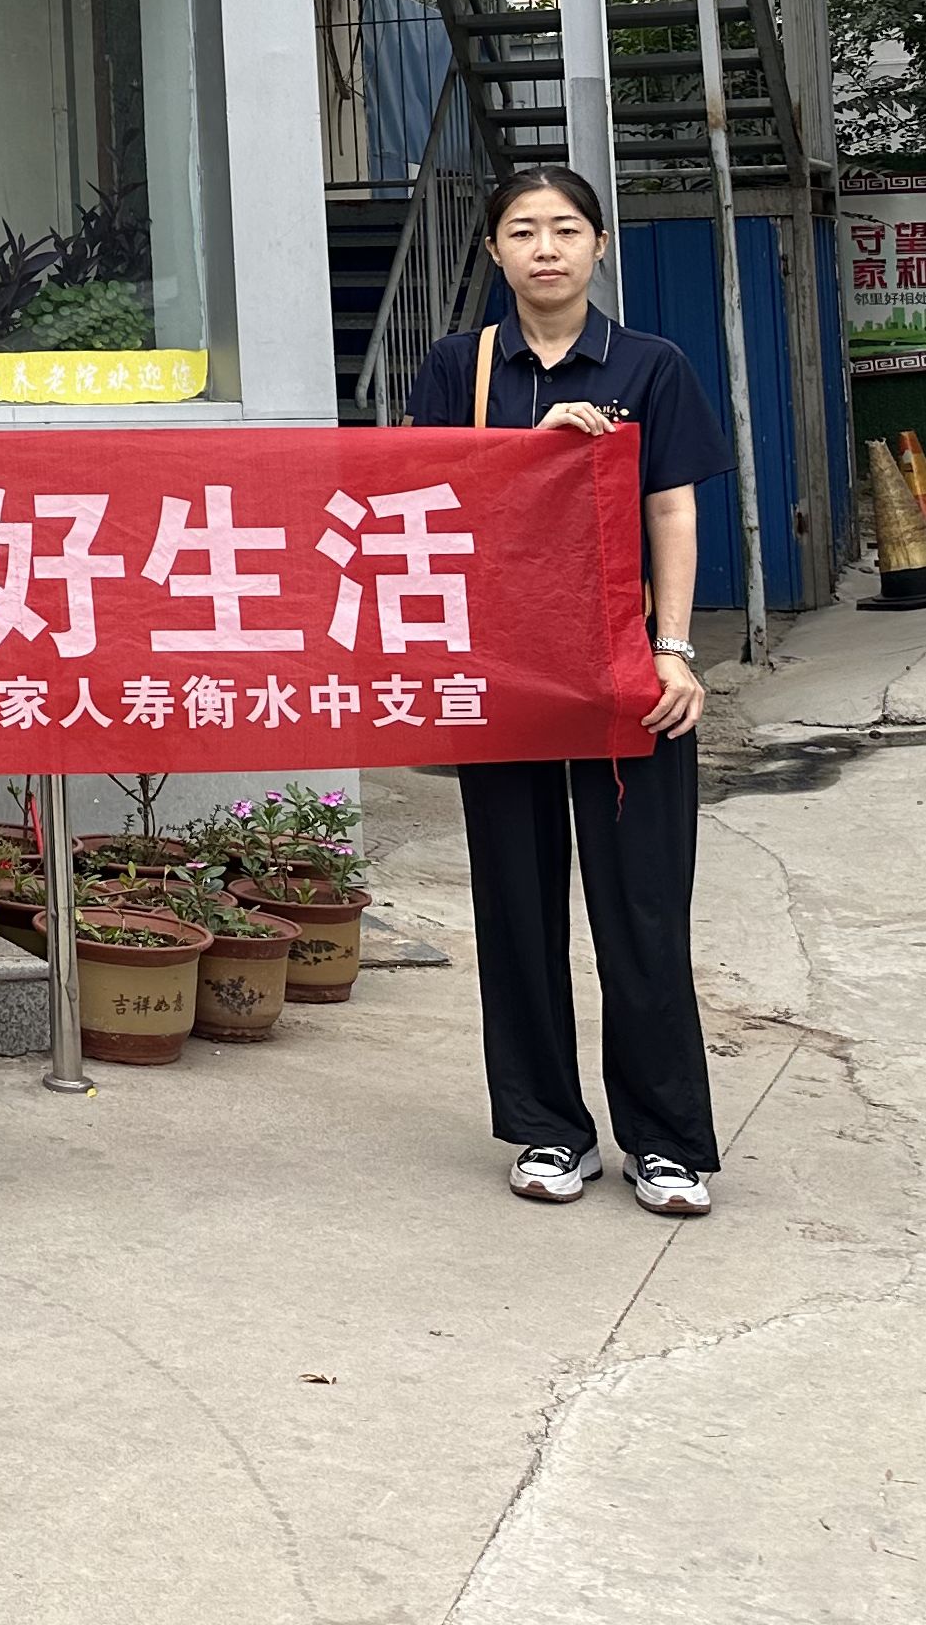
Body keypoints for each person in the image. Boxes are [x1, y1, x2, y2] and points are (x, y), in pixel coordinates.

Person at [405, 165, 726, 1217]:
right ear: (493, 251)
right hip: (503, 674)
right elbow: (422, 505)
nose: (544, 249)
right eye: (522, 231)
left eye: (564, 229)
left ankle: (665, 1142)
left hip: (623, 672)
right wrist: (524, 452)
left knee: (642, 911)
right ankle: (549, 1130)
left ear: (597, 245)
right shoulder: (456, 368)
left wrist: (672, 649)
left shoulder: (651, 364)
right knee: (516, 905)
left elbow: (671, 511)